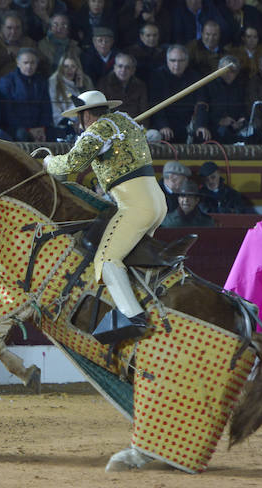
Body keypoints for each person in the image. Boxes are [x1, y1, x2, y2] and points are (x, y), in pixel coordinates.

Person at [43, 90, 167, 340]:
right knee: (129, 259)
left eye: (80, 116)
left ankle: (133, 318)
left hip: (135, 206)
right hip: (157, 202)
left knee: (107, 261)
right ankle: (142, 300)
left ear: (86, 114)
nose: (80, 122)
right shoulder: (126, 122)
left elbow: (72, 164)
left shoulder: (99, 129)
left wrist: (47, 163)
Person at [148, 44, 211, 143]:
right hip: (166, 122)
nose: (176, 65)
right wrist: (163, 126)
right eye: (173, 61)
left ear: (187, 61)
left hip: (188, 123)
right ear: (167, 60)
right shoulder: (157, 76)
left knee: (202, 135)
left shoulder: (195, 77)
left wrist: (200, 125)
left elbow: (201, 103)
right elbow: (155, 104)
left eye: (181, 61)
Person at [0, 47, 52, 142]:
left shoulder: (41, 81)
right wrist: (29, 130)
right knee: (21, 134)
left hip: (38, 127)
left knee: (56, 133)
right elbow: (7, 112)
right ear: (18, 63)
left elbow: (46, 108)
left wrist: (42, 128)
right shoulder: (6, 81)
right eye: (25, 63)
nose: (29, 66)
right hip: (14, 127)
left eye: (32, 63)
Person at [0, 12, 38, 80]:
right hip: (1, 84)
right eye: (9, 28)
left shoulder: (29, 43)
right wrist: (6, 53)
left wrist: (23, 54)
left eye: (17, 28)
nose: (13, 32)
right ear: (2, 27)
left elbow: (41, 63)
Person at [207, 55, 247, 143]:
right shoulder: (209, 86)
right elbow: (203, 111)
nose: (228, 74)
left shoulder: (240, 86)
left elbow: (244, 107)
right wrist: (219, 121)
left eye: (233, 71)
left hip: (236, 127)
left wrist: (241, 120)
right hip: (214, 127)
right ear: (219, 69)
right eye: (225, 70)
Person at [97, 53, 148, 118]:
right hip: (111, 123)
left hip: (135, 122)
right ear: (114, 68)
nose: (123, 70)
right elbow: (101, 109)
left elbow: (144, 110)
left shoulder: (140, 85)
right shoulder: (103, 83)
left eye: (127, 67)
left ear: (133, 70)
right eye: (120, 66)